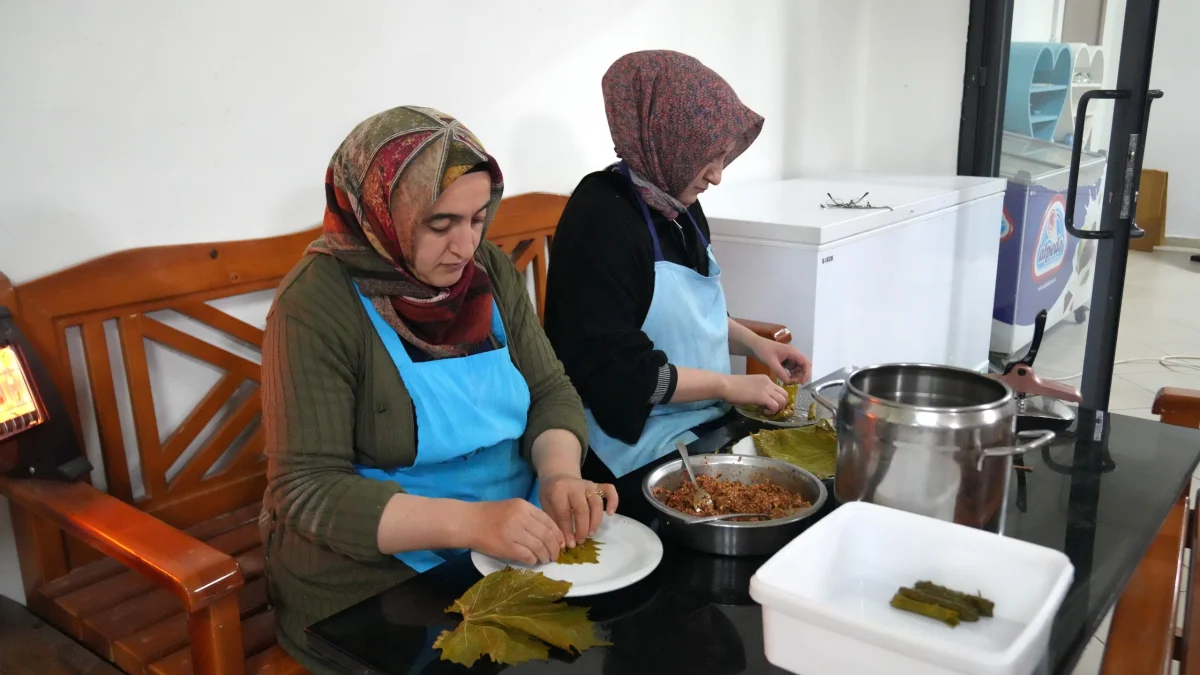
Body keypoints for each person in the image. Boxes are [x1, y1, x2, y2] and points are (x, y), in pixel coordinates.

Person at [260, 106, 617, 673]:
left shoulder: (488, 273)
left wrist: (559, 475)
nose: (465, 246)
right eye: (439, 223)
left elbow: (550, 390)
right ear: (382, 213)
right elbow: (306, 491)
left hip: (508, 538)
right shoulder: (315, 303)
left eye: (477, 218)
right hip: (379, 579)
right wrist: (473, 523)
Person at [543, 51, 812, 519]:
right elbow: (621, 373)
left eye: (723, 157)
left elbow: (689, 315)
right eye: (707, 157)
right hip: (630, 440)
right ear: (668, 139)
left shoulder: (677, 205)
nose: (717, 175)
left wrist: (756, 344)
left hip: (702, 419)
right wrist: (730, 385)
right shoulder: (600, 219)